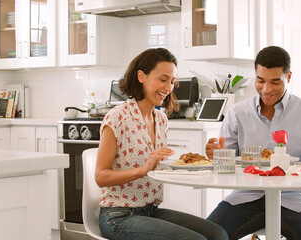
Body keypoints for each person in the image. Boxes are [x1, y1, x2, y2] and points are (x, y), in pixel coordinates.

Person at [205, 46, 301, 240]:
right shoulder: (237, 113)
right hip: (245, 197)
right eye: (260, 80)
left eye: (275, 81)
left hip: (295, 199)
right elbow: (227, 165)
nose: (266, 90)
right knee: (206, 235)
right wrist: (217, 156)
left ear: (288, 77)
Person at [95, 48, 228, 240]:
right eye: (163, 79)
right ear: (141, 76)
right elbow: (100, 176)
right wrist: (142, 170)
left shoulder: (161, 119)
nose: (168, 87)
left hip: (150, 210)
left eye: (172, 81)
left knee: (218, 234)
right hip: (118, 216)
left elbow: (161, 167)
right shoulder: (117, 117)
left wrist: (203, 159)